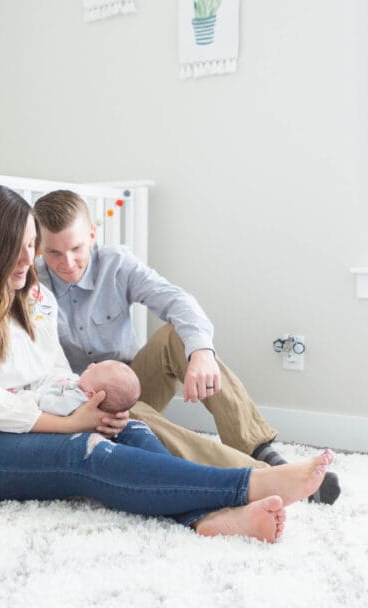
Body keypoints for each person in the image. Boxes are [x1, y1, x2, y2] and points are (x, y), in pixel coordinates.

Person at [0, 184, 335, 543]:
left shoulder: (34, 296)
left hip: (59, 405)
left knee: (129, 428)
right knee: (85, 453)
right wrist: (68, 423)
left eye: (31, 247)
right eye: (22, 248)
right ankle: (250, 484)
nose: (29, 261)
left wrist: (87, 408)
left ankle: (209, 516)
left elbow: (52, 371)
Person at [33, 190, 341, 504]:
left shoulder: (116, 264)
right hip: (78, 402)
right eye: (53, 253)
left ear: (92, 236)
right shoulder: (30, 283)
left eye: (76, 248)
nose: (67, 262)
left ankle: (261, 450)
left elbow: (177, 301)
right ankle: (264, 476)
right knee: (132, 414)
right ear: (38, 247)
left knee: (176, 335)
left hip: (133, 382)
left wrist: (201, 353)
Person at [29, 359, 140, 416]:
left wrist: (33, 397)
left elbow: (48, 405)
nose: (91, 365)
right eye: (96, 364)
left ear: (91, 395)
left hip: (32, 393)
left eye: (93, 370)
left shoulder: (74, 401)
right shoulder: (81, 387)